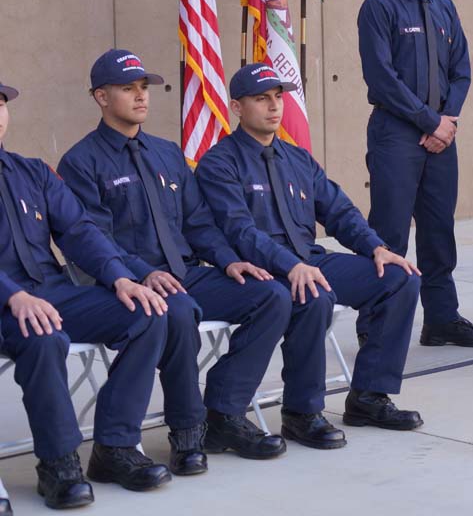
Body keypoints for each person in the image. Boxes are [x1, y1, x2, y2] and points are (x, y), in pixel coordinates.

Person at [59, 49, 291, 468]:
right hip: (125, 283)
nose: (140, 97)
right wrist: (143, 273)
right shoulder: (81, 162)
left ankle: (225, 411)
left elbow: (199, 224)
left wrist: (227, 261)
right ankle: (187, 433)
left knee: (271, 294)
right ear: (101, 97)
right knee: (177, 310)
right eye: (127, 89)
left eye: (143, 88)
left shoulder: (167, 154)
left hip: (185, 274)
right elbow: (94, 240)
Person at [196, 63, 423, 448]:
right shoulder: (220, 163)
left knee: (400, 278)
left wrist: (376, 248)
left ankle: (368, 396)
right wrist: (292, 266)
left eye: (278, 97)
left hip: (310, 260)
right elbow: (240, 232)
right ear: (237, 107)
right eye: (261, 98)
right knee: (312, 295)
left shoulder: (297, 159)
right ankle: (302, 413)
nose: (274, 106)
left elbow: (340, 211)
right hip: (265, 269)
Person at [0, 78, 171, 505]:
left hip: (52, 292)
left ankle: (114, 447)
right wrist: (11, 294)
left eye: (0, 104)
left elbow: (79, 231)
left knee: (147, 313)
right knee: (43, 337)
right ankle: (58, 464)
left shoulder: (32, 171)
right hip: (8, 304)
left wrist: (120, 278)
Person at [357, 0, 473, 348]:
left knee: (438, 231)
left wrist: (447, 121)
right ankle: (378, 325)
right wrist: (428, 121)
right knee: (390, 232)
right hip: (397, 135)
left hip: (441, 137)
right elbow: (382, 78)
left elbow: (462, 70)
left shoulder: (444, 8)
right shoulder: (379, 7)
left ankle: (441, 319)